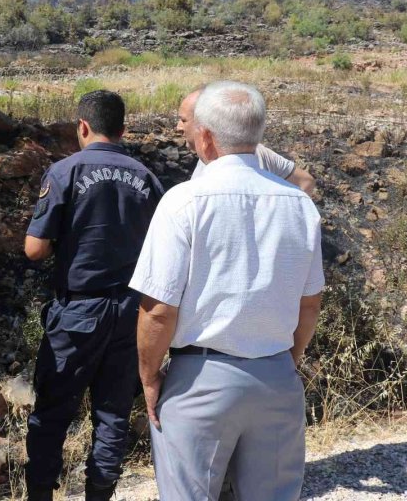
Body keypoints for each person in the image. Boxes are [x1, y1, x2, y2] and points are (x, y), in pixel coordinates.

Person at [130, 81, 324, 501]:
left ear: (206, 136)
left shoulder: (183, 202)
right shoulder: (299, 205)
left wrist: (148, 377)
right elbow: (310, 304)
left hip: (200, 378)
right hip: (275, 375)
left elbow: (159, 310)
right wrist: (285, 360)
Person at [24, 90, 165, 501]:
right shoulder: (146, 178)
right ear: (123, 129)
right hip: (129, 312)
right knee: (112, 414)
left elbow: (34, 249)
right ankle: (100, 495)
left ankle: (39, 495)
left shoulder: (65, 171)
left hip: (78, 312)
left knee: (52, 414)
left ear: (81, 127)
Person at [178, 85, 316, 196]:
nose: (178, 127)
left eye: (183, 120)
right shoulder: (205, 159)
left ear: (204, 124)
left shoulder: (260, 154)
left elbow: (305, 182)